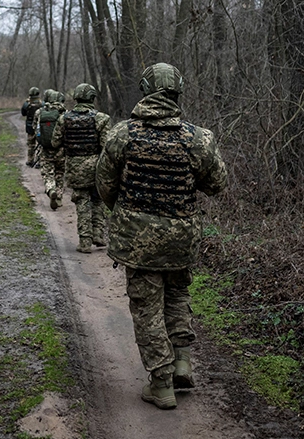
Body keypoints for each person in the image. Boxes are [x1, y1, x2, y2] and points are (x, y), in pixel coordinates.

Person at [95, 63, 228, 410]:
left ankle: (161, 382)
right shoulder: (198, 138)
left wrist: (127, 214)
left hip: (138, 240)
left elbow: (105, 184)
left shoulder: (123, 134)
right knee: (177, 294)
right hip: (181, 237)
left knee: (146, 307)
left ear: (144, 89)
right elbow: (217, 183)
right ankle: (182, 360)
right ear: (178, 91)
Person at [50, 82, 111, 252]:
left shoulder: (64, 118)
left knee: (81, 201)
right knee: (98, 199)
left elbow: (54, 142)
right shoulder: (102, 118)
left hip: (75, 167)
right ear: (92, 98)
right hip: (96, 166)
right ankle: (98, 235)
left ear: (76, 98)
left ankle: (85, 242)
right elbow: (107, 146)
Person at [34, 89, 67, 210]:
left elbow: (36, 129)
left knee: (48, 174)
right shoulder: (64, 112)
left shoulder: (40, 112)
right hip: (61, 150)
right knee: (60, 173)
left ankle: (50, 189)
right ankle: (58, 198)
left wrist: (41, 141)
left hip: (45, 149)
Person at [20, 87, 43, 166]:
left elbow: (23, 113)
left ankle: (30, 160)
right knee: (40, 144)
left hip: (30, 126)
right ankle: (39, 162)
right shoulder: (42, 103)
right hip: (39, 126)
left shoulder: (26, 104)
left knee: (31, 145)